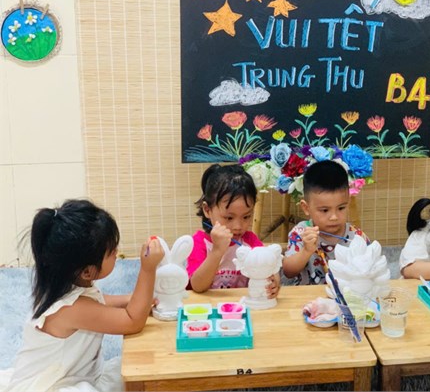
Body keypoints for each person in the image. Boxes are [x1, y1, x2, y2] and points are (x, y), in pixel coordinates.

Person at [0, 199, 164, 392]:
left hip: (83, 373)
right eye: (112, 251)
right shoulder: (69, 309)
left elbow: (98, 303)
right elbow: (132, 322)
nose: (117, 252)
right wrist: (148, 269)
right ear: (87, 272)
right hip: (52, 387)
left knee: (133, 369)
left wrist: (131, 299)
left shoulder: (66, 287)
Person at [187, 164, 280, 296]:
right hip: (210, 306)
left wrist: (274, 281)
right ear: (207, 210)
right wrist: (217, 251)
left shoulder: (249, 241)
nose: (238, 226)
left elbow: (269, 267)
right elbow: (197, 286)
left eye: (246, 216)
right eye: (229, 218)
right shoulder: (199, 242)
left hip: (243, 305)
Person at [283, 160, 370, 285]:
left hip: (347, 294)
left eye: (341, 208)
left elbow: (370, 269)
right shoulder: (301, 233)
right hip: (308, 296)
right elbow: (288, 272)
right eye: (324, 210)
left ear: (348, 202)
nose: (334, 217)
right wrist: (306, 251)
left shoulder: (357, 236)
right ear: (306, 208)